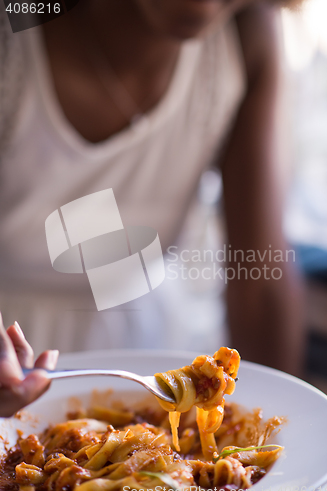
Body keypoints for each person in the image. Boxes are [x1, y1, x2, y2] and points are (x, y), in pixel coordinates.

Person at [0, 0, 304, 417]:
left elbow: (261, 285)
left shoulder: (246, 39)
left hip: (150, 342)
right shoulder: (13, 36)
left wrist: (280, 438)